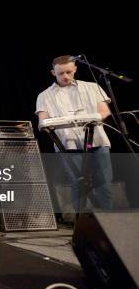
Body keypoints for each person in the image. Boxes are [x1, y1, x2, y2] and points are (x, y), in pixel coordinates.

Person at [36, 55, 113, 212]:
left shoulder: (92, 87)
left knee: (104, 182)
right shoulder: (44, 96)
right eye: (61, 73)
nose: (65, 76)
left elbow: (104, 111)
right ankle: (82, 225)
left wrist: (92, 118)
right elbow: (42, 121)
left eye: (69, 72)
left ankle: (109, 221)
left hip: (97, 141)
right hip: (68, 145)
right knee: (78, 183)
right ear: (53, 73)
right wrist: (47, 124)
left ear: (75, 69)